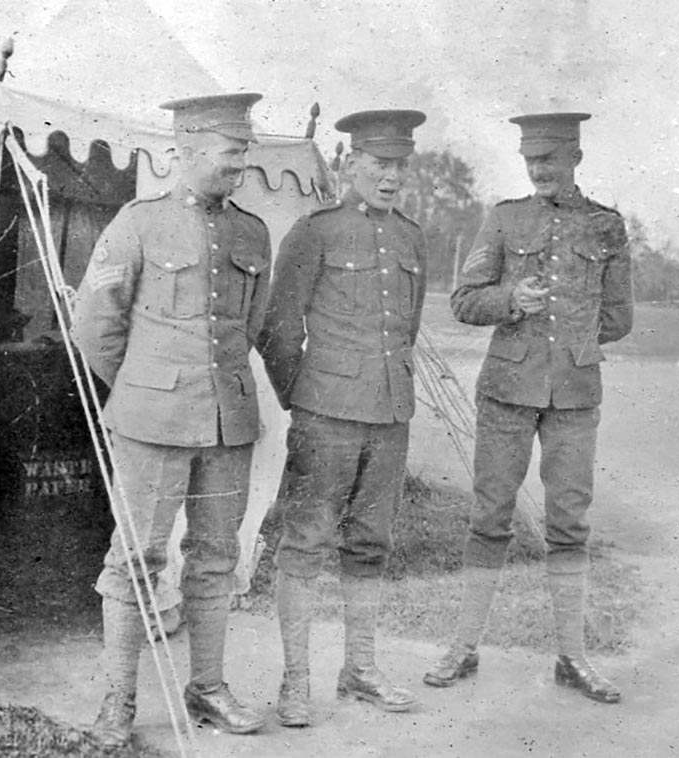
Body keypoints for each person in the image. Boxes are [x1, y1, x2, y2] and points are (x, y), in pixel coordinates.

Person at [70, 92, 272, 746]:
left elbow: (252, 324)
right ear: (184, 151)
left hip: (228, 424)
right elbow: (95, 327)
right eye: (230, 148)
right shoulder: (138, 223)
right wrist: (142, 390)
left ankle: (207, 688)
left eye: (244, 147)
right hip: (151, 423)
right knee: (136, 559)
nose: (241, 160)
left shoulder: (252, 232)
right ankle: (117, 701)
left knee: (217, 557)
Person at [423, 112, 633, 703]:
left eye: (550, 159)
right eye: (531, 160)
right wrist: (512, 300)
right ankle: (463, 648)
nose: (539, 169)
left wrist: (573, 335)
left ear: (575, 159)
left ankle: (572, 657)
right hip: (507, 394)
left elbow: (620, 316)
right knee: (489, 518)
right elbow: (463, 301)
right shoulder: (505, 218)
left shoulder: (606, 227)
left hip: (573, 397)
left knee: (569, 524)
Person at [259, 109, 429, 727]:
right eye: (378, 164)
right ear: (349, 163)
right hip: (324, 415)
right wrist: (303, 397)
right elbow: (278, 327)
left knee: (371, 544)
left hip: (389, 415)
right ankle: (296, 679)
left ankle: (359, 667)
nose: (389, 177)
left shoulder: (411, 237)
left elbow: (404, 331)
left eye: (398, 166)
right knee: (304, 544)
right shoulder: (315, 232)